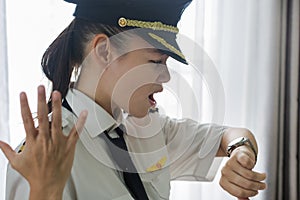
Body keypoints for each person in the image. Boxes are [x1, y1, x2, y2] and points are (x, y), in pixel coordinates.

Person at [0, 0, 267, 199]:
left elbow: (231, 135)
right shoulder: (43, 154)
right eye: (155, 61)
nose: (166, 78)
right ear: (104, 51)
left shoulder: (147, 129)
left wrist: (240, 152)